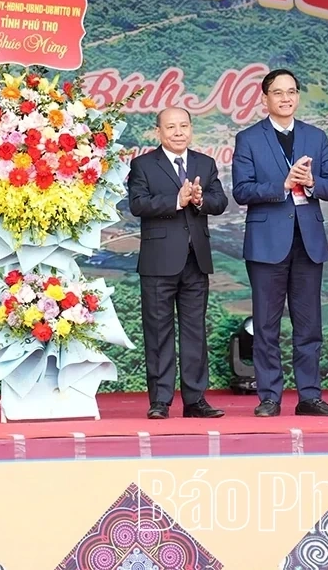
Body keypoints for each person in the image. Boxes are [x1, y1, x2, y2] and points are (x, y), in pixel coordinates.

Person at [232, 69, 328, 418]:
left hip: (308, 242)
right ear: (264, 98)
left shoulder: (315, 136)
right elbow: (242, 191)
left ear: (298, 96)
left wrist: (312, 182)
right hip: (267, 243)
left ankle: (309, 396)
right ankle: (269, 397)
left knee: (309, 325)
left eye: (292, 91)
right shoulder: (249, 139)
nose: (286, 98)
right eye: (278, 92)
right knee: (266, 326)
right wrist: (281, 186)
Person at [128, 106, 229, 420]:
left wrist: (200, 200)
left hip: (196, 260)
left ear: (191, 128)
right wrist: (177, 201)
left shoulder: (205, 163)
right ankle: (160, 401)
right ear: (158, 132)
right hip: (158, 262)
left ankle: (195, 400)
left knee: (195, 332)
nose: (178, 132)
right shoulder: (143, 164)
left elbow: (220, 201)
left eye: (183, 126)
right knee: (158, 333)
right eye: (171, 127)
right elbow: (137, 204)